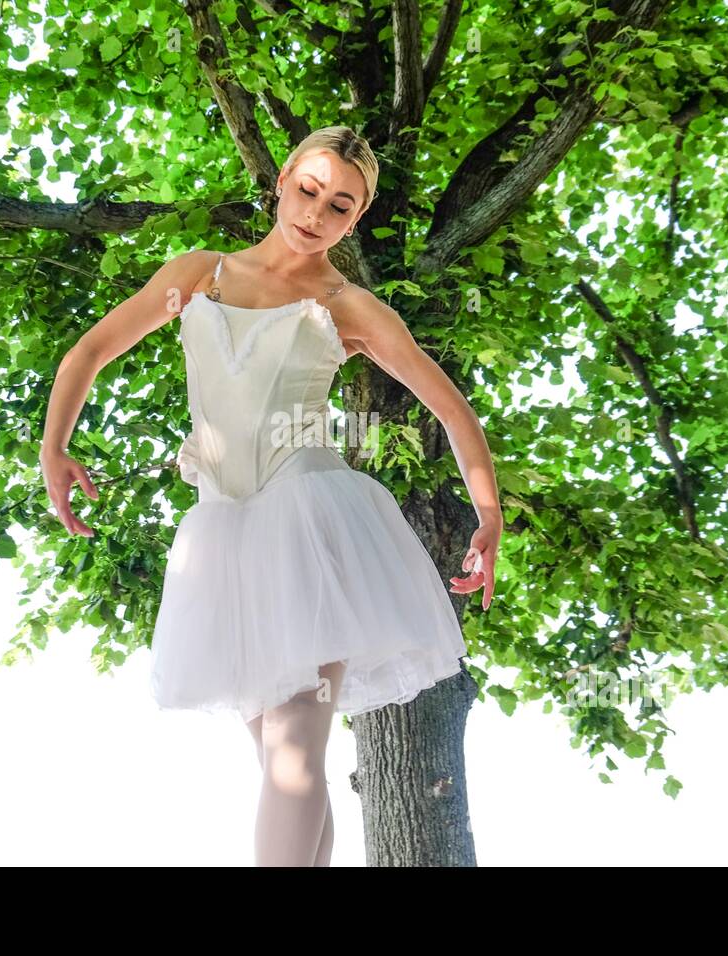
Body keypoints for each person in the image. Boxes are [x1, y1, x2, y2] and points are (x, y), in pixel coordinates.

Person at [41, 125, 501, 866]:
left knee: (292, 761)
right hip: (223, 538)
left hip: (309, 526)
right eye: (310, 190)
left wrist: (488, 515)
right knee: (287, 767)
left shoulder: (348, 307)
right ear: (284, 179)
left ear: (355, 220)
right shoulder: (198, 274)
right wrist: (54, 447)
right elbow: (89, 351)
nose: (317, 213)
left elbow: (452, 409)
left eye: (340, 207)